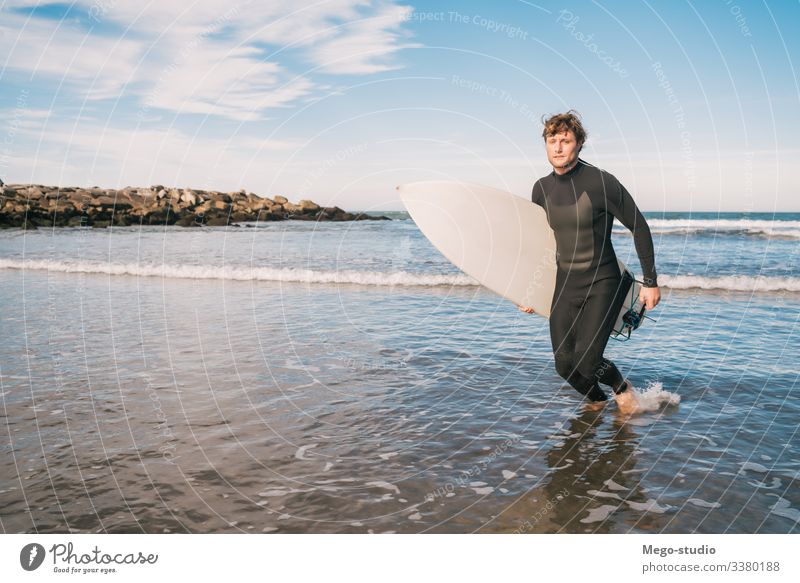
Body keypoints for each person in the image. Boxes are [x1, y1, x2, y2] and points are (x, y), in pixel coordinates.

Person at [517, 111, 660, 414]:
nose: (557, 147)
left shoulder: (600, 182)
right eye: (552, 140)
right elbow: (539, 244)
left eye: (565, 140)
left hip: (603, 281)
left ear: (579, 144)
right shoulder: (540, 189)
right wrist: (528, 289)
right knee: (564, 366)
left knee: (587, 359)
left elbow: (639, 225)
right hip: (566, 284)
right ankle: (597, 401)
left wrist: (650, 281)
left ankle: (622, 388)